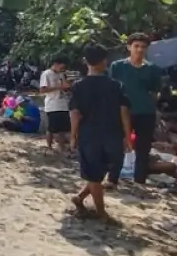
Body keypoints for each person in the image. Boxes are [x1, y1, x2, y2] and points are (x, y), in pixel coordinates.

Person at [69, 44, 133, 220]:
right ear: (105, 61)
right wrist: (127, 136)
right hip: (113, 134)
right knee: (100, 173)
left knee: (94, 174)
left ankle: (85, 201)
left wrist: (73, 136)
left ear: (85, 62)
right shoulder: (116, 86)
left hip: (89, 134)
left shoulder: (79, 86)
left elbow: (75, 114)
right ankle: (99, 211)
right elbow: (124, 111)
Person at [107, 32, 162, 187]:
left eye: (143, 47)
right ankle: (112, 179)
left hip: (145, 113)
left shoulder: (153, 70)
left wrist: (153, 110)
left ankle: (139, 181)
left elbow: (154, 92)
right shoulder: (117, 66)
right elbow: (112, 89)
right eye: (136, 46)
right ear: (129, 47)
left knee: (143, 148)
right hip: (122, 111)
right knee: (117, 145)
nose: (139, 50)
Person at [40, 56, 71, 154]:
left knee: (63, 128)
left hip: (63, 104)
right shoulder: (46, 74)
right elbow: (42, 90)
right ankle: (49, 147)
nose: (62, 69)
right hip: (52, 105)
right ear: (56, 64)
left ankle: (61, 147)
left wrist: (67, 86)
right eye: (61, 67)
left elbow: (64, 88)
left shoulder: (61, 75)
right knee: (51, 128)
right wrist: (58, 87)